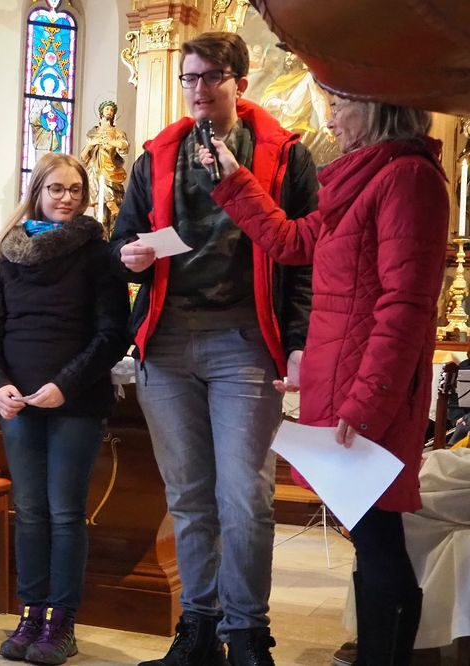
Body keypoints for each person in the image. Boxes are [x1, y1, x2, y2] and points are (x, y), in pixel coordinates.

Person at [203, 97, 448, 666]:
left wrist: (365, 403)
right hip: (350, 386)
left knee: (380, 539)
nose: (329, 118)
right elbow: (291, 241)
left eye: (338, 105)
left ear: (377, 108)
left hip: (375, 396)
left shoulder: (408, 178)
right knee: (369, 535)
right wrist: (234, 180)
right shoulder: (365, 179)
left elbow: (405, 307)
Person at [109, 32, 318, 666]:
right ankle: (198, 630)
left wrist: (300, 342)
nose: (198, 89)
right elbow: (123, 240)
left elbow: (304, 258)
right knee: (188, 496)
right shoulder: (156, 156)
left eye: (210, 78)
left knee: (245, 497)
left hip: (244, 341)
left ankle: (248, 633)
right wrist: (130, 255)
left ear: (239, 83)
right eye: (189, 78)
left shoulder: (285, 155)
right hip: (168, 342)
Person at [0, 152, 129, 665]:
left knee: (65, 513)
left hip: (76, 403)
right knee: (30, 511)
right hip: (18, 404)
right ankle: (30, 613)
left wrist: (65, 385)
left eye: (75, 190)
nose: (67, 198)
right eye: (56, 188)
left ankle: (61, 622)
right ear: (37, 192)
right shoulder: (6, 257)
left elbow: (112, 333)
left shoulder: (97, 253)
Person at [80, 100, 130, 236]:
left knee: (112, 205)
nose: (109, 111)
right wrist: (92, 144)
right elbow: (83, 157)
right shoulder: (93, 132)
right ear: (101, 112)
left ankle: (116, 235)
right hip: (95, 173)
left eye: (111, 110)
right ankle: (101, 238)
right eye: (107, 109)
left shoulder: (117, 132)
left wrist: (112, 142)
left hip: (111, 172)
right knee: (99, 211)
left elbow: (124, 146)